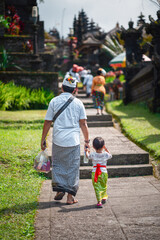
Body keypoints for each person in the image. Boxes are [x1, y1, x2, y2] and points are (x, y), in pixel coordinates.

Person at [41, 76, 89, 205]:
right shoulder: (78, 103)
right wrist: (87, 141)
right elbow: (83, 123)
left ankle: (59, 190)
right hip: (73, 140)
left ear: (62, 88)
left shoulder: (54, 101)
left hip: (58, 139)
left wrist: (43, 138)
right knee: (73, 167)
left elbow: (47, 122)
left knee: (57, 165)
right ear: (74, 90)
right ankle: (70, 197)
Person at [86, 137, 112, 208]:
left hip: (95, 173)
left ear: (93, 147)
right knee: (104, 185)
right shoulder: (106, 154)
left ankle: (99, 201)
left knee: (97, 187)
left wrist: (87, 151)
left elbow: (87, 157)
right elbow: (110, 155)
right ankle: (104, 197)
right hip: (104, 172)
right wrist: (106, 149)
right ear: (103, 146)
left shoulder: (93, 154)